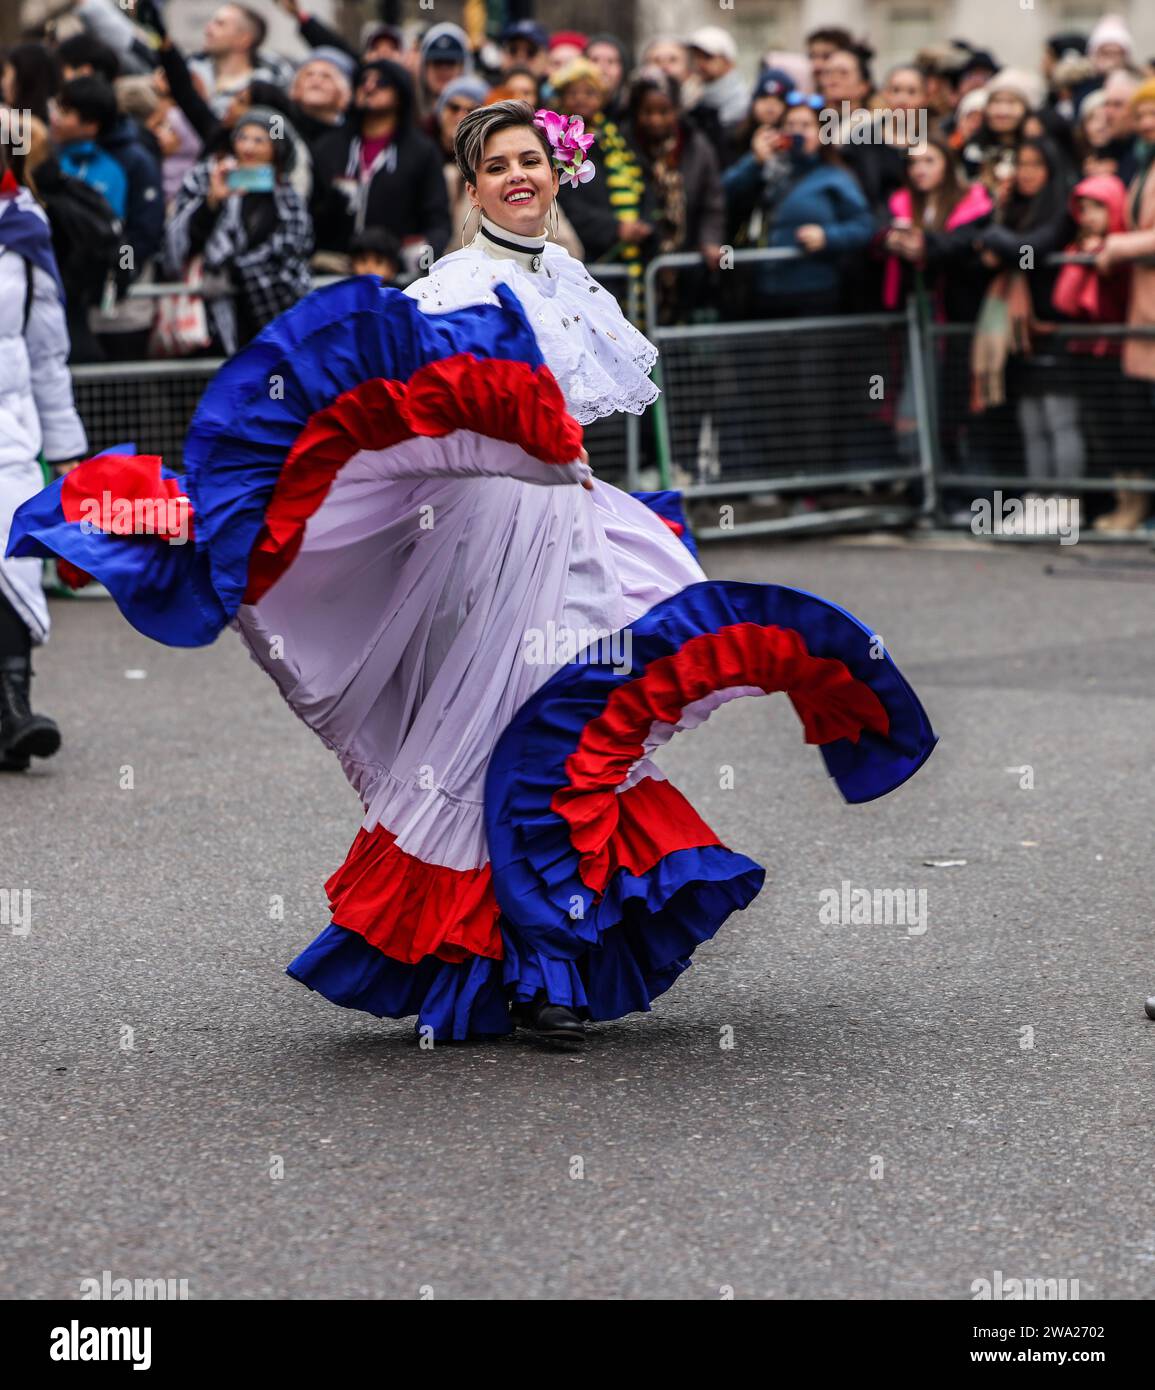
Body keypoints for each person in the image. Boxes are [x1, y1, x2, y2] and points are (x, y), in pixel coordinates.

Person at [8, 98, 935, 1042]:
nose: (517, 178)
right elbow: (399, 416)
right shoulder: (452, 287)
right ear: (472, 185)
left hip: (572, 539)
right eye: (496, 167)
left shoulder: (572, 277)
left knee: (576, 737)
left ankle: (545, 964)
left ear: (556, 170)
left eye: (530, 160)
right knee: (512, 738)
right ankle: (538, 974)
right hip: (485, 551)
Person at [0, 148, 87, 771]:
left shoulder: (26, 230)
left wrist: (68, 457)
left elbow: (46, 353)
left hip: (10, 429)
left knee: (13, 561)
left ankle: (12, 709)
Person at [166, 107, 312, 354]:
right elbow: (180, 243)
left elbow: (292, 254)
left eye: (259, 140)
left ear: (278, 150)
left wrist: (236, 271)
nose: (248, 148)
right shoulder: (206, 179)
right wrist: (212, 201)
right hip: (212, 317)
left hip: (270, 315)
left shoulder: (288, 200)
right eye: (242, 138)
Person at [310, 58, 450, 269]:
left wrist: (419, 259)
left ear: (400, 95)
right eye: (363, 80)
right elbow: (308, 211)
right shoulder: (327, 147)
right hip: (332, 272)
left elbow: (437, 220)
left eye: (381, 82)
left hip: (396, 275)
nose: (369, 87)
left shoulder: (422, 151)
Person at [1095, 80, 1155, 531]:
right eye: (1144, 113)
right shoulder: (1142, 166)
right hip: (1142, 309)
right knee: (1137, 415)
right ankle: (1134, 506)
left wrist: (1117, 244)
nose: (1148, 122)